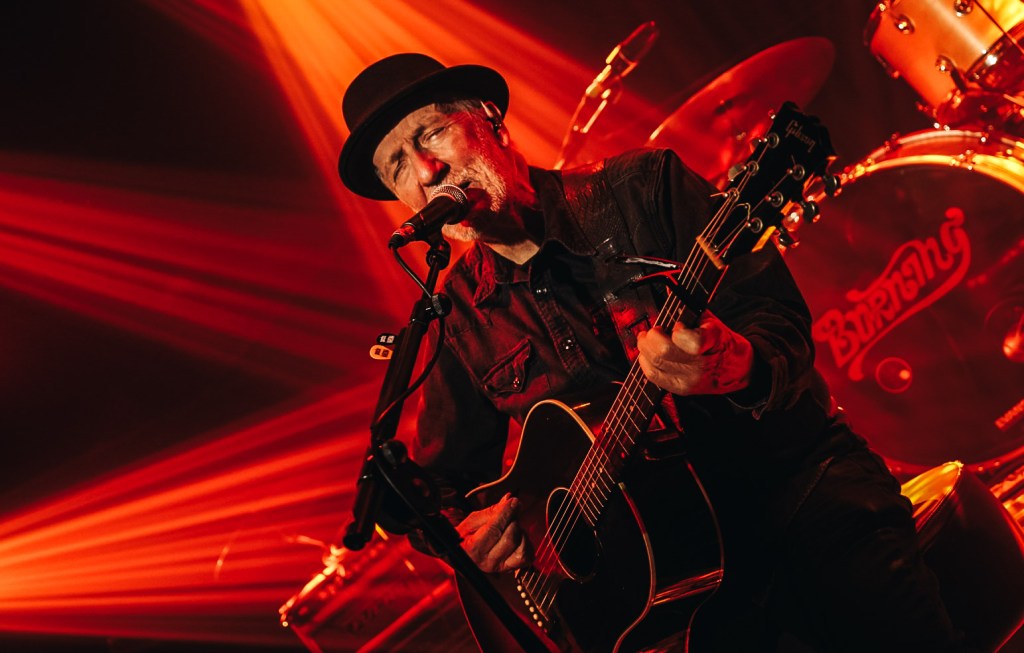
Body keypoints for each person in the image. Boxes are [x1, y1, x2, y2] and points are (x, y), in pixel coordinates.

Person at [336, 53, 965, 652]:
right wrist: (475, 537)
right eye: (398, 167)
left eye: (432, 134)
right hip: (672, 596)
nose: (425, 171)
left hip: (799, 500)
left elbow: (780, 324)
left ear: (489, 120)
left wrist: (733, 364)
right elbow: (436, 488)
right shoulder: (456, 316)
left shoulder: (641, 188)